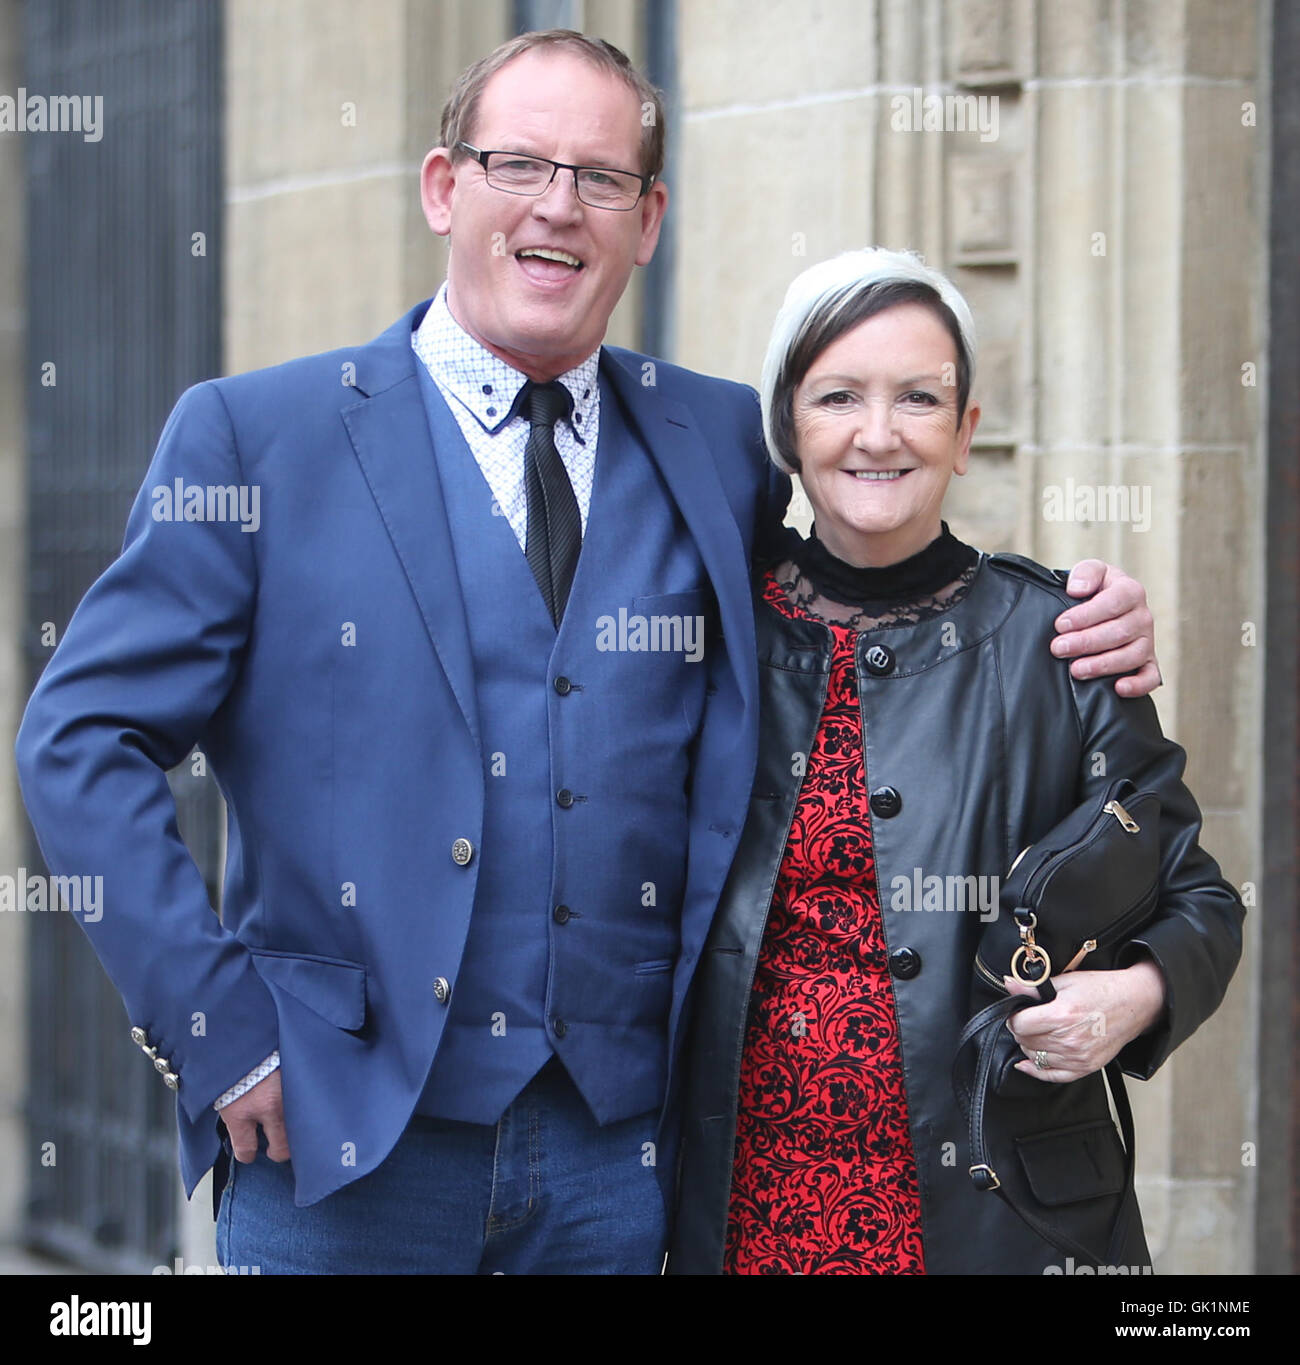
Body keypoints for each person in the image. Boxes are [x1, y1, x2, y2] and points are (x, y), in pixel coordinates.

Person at [15, 33, 1160, 1275]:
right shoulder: (254, 438)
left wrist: (1066, 611)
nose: (558, 206)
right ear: (444, 188)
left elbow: (858, 575)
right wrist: (215, 1026)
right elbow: (80, 743)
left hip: (619, 1168)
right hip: (341, 1163)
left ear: (650, 218)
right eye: (519, 165)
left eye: (601, 178)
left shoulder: (717, 437)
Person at [666, 247, 1244, 1276]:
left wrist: (1134, 998)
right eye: (836, 395)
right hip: (746, 1204)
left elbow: (1198, 896)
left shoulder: (1062, 639)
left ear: (966, 431)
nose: (877, 433)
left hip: (996, 1213)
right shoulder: (710, 639)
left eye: (919, 399)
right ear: (785, 429)